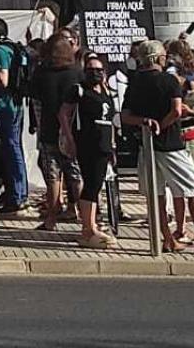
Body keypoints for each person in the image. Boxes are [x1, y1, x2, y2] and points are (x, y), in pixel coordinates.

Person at [120, 38, 194, 255]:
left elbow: (125, 115)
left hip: (146, 144)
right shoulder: (169, 81)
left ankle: (167, 239)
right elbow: (177, 110)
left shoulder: (135, 82)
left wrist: (145, 123)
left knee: (156, 193)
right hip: (171, 143)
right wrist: (162, 124)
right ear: (160, 57)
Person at [59, 51, 117, 248]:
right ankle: (88, 227)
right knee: (90, 184)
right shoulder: (79, 90)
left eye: (99, 70)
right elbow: (64, 114)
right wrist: (69, 138)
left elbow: (111, 119)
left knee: (97, 184)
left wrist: (113, 146)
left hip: (105, 142)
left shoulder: (107, 92)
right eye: (91, 70)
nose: (95, 74)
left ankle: (91, 224)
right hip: (87, 141)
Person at [29, 32, 83, 231]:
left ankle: (51, 218)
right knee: (76, 174)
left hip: (49, 130)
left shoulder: (41, 73)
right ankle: (86, 217)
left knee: (53, 177)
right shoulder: (76, 73)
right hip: (73, 133)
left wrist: (38, 126)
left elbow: (35, 102)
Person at [0, 17, 29, 216]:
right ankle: (18, 192)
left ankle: (17, 196)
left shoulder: (1, 50)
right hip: (16, 104)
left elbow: (2, 80)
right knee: (14, 147)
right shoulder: (14, 47)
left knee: (11, 149)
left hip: (5, 107)